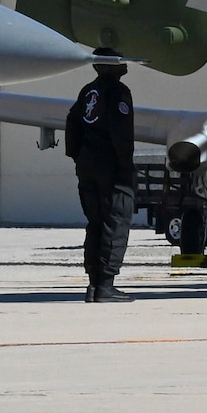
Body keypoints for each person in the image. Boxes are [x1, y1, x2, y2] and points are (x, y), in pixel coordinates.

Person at [65, 49, 137, 303]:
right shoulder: (118, 92)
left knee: (95, 223)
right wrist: (125, 167)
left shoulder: (87, 91)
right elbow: (121, 134)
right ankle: (106, 285)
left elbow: (72, 121)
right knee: (115, 221)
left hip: (87, 165)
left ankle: (94, 284)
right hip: (110, 167)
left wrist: (77, 155)